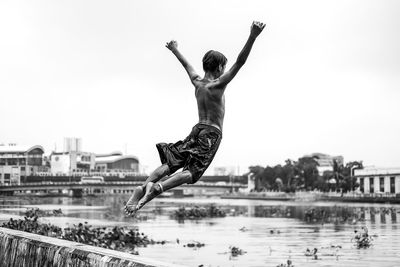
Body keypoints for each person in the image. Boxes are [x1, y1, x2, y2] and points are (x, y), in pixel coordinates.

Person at [124, 21, 266, 216]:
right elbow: (240, 63)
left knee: (171, 163)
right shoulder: (218, 84)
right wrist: (252, 37)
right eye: (223, 67)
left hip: (196, 129)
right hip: (211, 133)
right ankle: (158, 189)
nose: (225, 70)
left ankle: (143, 186)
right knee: (192, 172)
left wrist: (174, 49)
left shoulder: (197, 83)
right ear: (219, 67)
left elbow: (186, 65)